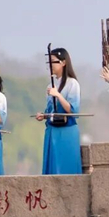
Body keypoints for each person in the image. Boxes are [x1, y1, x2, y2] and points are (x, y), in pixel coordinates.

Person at [36, 47, 82, 175]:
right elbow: (51, 111)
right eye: (49, 62)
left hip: (66, 131)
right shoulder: (50, 85)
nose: (50, 65)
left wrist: (58, 95)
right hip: (52, 131)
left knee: (66, 168)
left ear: (63, 62)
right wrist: (43, 115)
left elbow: (73, 110)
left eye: (53, 62)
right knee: (52, 168)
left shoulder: (72, 83)